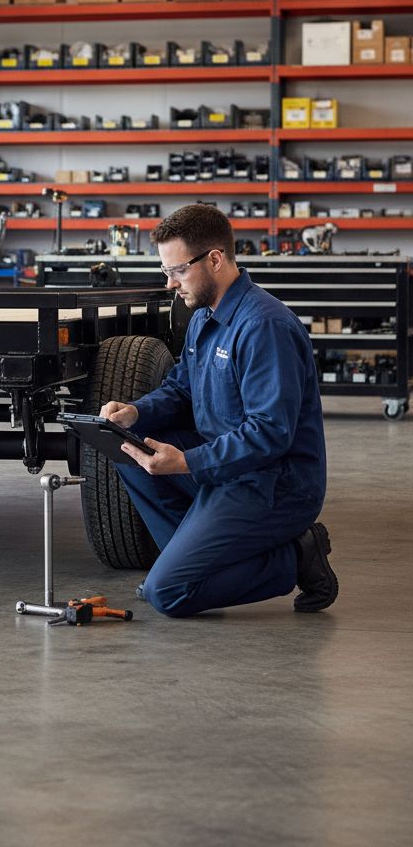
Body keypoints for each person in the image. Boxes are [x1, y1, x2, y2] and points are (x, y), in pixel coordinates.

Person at [101, 204, 338, 618]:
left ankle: (297, 557)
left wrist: (189, 461)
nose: (171, 284)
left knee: (168, 594)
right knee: (130, 453)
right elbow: (180, 389)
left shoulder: (264, 326)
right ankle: (192, 559)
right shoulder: (202, 318)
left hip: (272, 483)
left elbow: (268, 434)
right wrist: (134, 414)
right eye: (166, 272)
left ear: (214, 258)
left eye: (178, 271)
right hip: (223, 466)